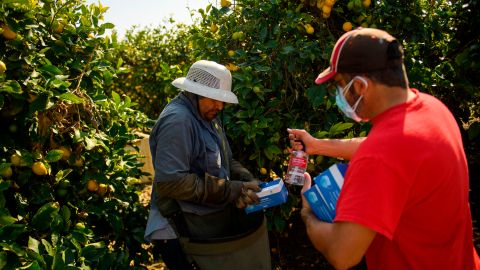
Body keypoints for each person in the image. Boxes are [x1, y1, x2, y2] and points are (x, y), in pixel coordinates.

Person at [288, 28, 480, 269]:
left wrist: (308, 214)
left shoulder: (382, 154)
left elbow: (342, 254)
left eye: (340, 84)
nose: (340, 95)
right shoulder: (432, 109)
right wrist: (317, 146)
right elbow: (383, 149)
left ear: (359, 86)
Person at [144, 60, 271, 270]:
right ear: (195, 92)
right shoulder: (178, 121)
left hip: (201, 224)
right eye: (215, 99)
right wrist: (231, 190)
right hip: (178, 230)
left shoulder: (208, 115)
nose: (220, 106)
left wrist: (247, 180)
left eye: (222, 100)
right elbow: (171, 182)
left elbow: (227, 160)